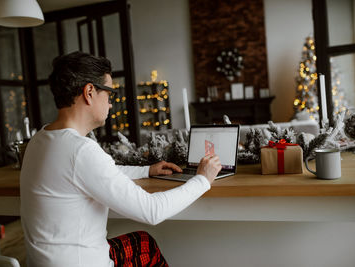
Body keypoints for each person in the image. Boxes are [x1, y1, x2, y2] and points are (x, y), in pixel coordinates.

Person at [20, 51, 221, 267]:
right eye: (109, 94)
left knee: (144, 243)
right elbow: (152, 211)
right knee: (146, 244)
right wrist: (202, 179)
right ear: (89, 92)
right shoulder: (80, 150)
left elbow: (97, 173)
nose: (109, 104)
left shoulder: (39, 140)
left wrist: (146, 171)